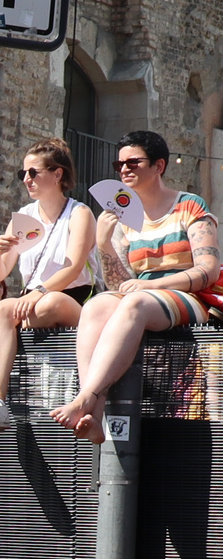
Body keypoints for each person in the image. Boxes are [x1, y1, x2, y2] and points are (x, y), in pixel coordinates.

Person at [50, 130, 219, 442]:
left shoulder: (189, 206)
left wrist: (152, 287)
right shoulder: (123, 217)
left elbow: (207, 270)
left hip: (191, 297)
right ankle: (93, 412)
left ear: (159, 166)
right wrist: (104, 244)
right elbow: (119, 285)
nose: (124, 169)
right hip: (143, 298)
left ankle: (87, 396)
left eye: (133, 162)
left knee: (135, 303)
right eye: (120, 165)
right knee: (97, 305)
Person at [0, 139, 98, 429]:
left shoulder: (79, 213)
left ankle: (9, 333)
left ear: (58, 174)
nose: (26, 179)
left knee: (49, 304)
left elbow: (74, 265)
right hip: (31, 300)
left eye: (33, 172)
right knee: (2, 309)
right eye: (23, 174)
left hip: (72, 298)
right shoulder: (25, 217)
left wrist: (41, 291)